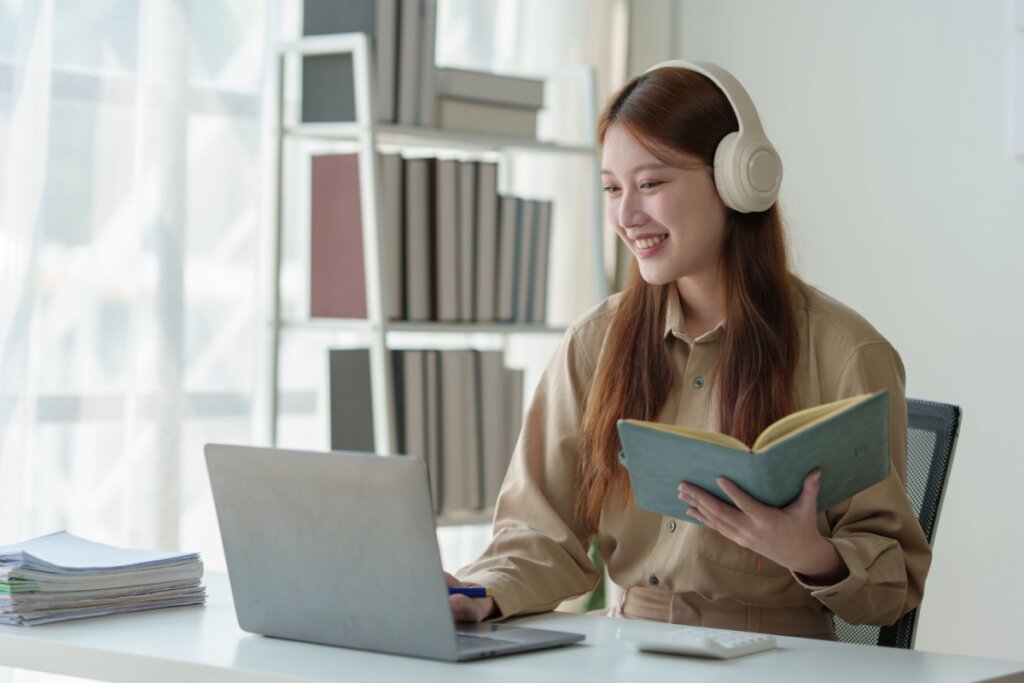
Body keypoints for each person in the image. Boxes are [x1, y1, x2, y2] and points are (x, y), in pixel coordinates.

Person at [446, 60, 931, 640]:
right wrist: (478, 594)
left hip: (779, 656)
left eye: (651, 184)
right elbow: (538, 536)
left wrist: (812, 553)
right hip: (624, 645)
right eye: (611, 189)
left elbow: (891, 589)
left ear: (736, 180)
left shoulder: (846, 351)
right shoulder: (593, 343)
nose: (626, 216)